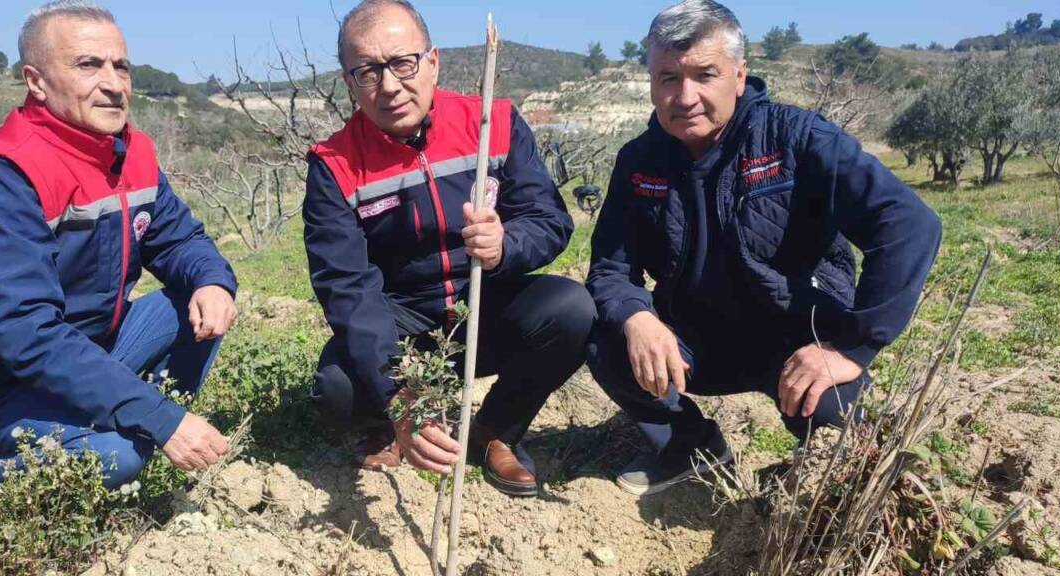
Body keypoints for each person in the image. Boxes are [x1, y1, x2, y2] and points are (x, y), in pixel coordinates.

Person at [586, 0, 942, 496]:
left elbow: (908, 225)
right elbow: (609, 268)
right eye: (668, 78)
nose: (685, 96)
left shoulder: (796, 139)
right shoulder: (639, 161)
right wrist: (637, 318)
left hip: (799, 340)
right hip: (695, 344)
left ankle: (815, 481)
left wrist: (854, 346)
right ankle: (692, 446)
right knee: (604, 336)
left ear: (738, 75)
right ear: (651, 82)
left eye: (704, 74)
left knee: (841, 431)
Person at [0, 0, 238, 490]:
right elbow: (28, 334)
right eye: (88, 65)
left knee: (195, 303)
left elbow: (179, 240)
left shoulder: (132, 153)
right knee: (118, 455)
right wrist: (159, 416)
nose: (113, 83)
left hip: (92, 348)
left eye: (121, 66)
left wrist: (213, 280)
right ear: (36, 81)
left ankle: (129, 423)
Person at [304, 0, 596, 497]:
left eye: (402, 62)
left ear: (432, 60)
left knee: (572, 310)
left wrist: (507, 245)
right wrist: (398, 397)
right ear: (349, 83)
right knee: (338, 385)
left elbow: (549, 220)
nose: (390, 85)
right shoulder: (334, 164)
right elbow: (347, 288)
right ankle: (388, 427)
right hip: (401, 319)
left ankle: (494, 431)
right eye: (368, 71)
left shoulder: (494, 123)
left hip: (485, 305)